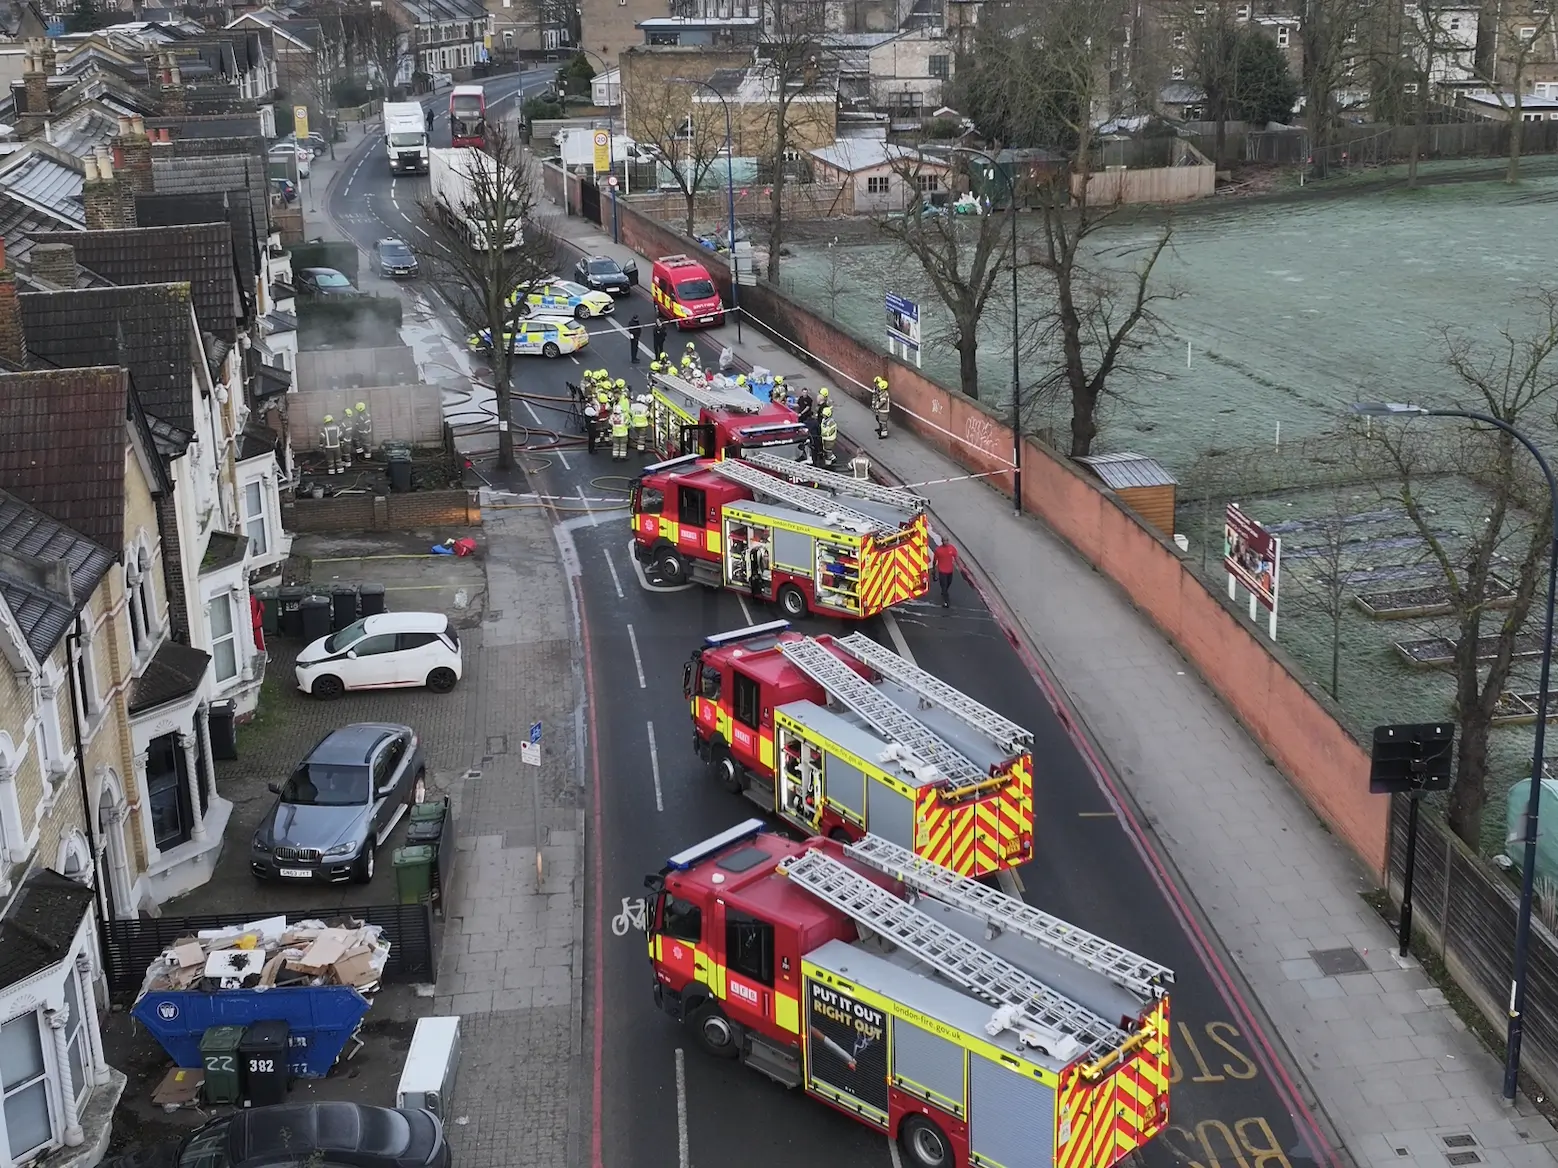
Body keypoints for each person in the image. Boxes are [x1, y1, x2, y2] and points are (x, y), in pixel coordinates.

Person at [933, 541, 959, 608]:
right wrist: (934, 570)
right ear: (942, 541)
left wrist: (961, 566)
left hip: (950, 571)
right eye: (944, 541)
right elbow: (934, 560)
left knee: (949, 583)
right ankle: (946, 602)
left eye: (946, 540)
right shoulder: (938, 550)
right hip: (942, 571)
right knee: (944, 586)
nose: (946, 542)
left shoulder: (951, 548)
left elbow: (956, 556)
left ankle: (944, 592)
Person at [818, 403, 837, 469]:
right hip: (825, 438)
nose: (823, 415)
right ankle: (830, 460)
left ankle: (830, 461)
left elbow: (830, 431)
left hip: (830, 439)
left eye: (824, 415)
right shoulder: (824, 420)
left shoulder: (831, 422)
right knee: (826, 450)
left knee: (827, 450)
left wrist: (824, 434)